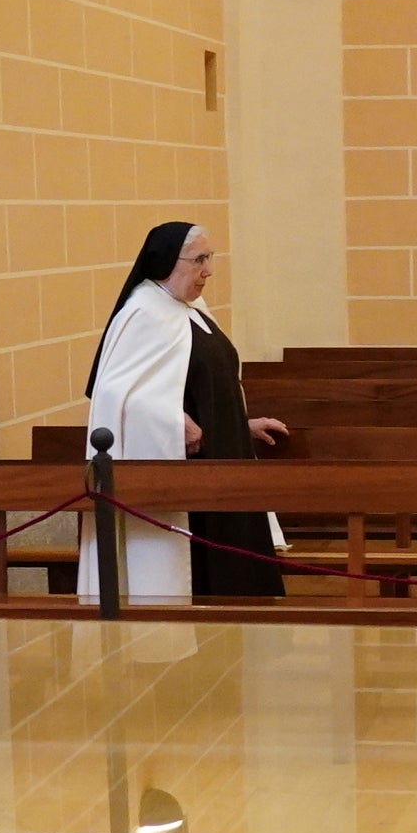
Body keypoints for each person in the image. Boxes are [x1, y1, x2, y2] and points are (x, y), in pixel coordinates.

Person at [78, 221, 288, 602]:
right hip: (188, 475)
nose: (208, 270)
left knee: (241, 578)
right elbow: (112, 394)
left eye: (210, 258)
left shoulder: (192, 309)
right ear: (165, 263)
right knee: (203, 581)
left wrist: (241, 426)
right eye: (199, 260)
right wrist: (171, 421)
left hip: (225, 464)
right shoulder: (143, 312)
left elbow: (204, 386)